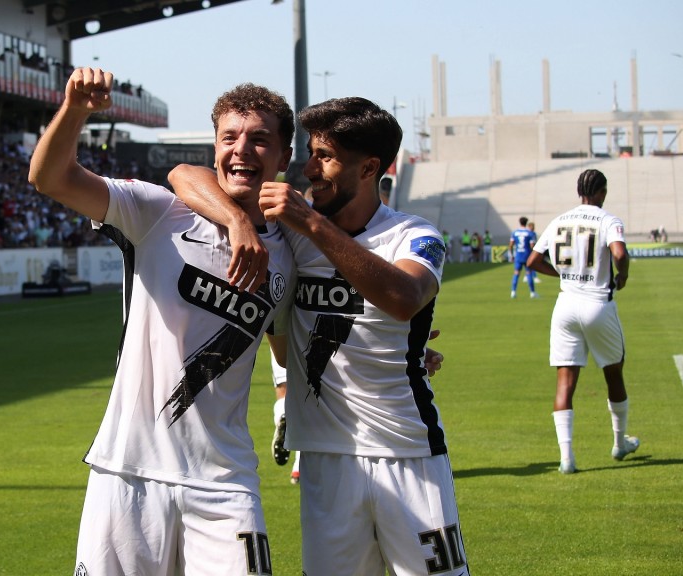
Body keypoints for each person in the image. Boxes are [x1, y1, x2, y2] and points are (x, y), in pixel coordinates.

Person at [171, 97, 468, 576]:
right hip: (325, 461)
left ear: (369, 167)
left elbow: (404, 296)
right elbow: (185, 174)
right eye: (310, 153)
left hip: (407, 452)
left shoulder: (413, 235)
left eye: (325, 157)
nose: (309, 169)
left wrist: (312, 223)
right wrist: (239, 220)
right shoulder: (289, 232)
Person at [28, 67, 299, 576]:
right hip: (128, 472)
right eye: (230, 137)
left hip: (226, 479)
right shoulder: (158, 214)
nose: (243, 149)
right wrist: (76, 111)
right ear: (214, 149)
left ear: (284, 157)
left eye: (261, 140)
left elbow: (285, 343)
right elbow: (50, 178)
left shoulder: (290, 255)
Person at [526, 168, 639, 475]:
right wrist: (623, 275)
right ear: (601, 192)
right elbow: (619, 252)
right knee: (613, 373)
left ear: (579, 191)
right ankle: (619, 443)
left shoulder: (560, 220)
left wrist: (561, 274)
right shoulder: (608, 220)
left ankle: (566, 458)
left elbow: (533, 261)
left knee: (565, 382)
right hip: (597, 303)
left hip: (565, 305)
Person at [269, 349, 301, 485]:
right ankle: (299, 466)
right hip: (314, 333)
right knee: (308, 396)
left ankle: (283, 414)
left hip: (281, 331)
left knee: (283, 388)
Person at [508, 216, 538, 299]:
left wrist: (511, 255)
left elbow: (510, 245)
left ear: (520, 222)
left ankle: (513, 292)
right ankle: (532, 293)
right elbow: (532, 246)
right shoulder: (529, 233)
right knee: (529, 273)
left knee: (516, 273)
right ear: (526, 223)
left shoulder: (514, 232)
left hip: (518, 255)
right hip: (527, 256)